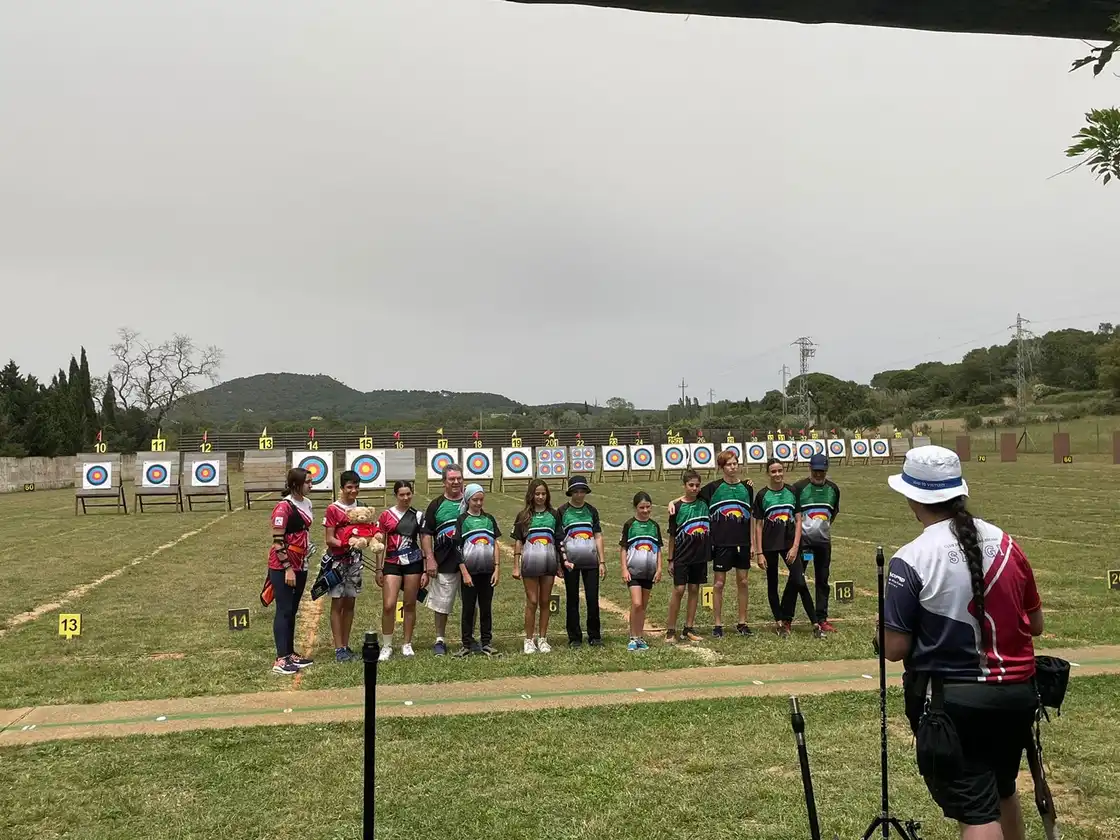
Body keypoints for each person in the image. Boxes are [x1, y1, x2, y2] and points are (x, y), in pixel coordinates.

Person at [883, 445, 1044, 840]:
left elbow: (894, 649)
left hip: (954, 703)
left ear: (913, 498)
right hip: (1019, 696)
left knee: (976, 811)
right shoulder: (1007, 543)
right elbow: (1035, 624)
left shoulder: (913, 558)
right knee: (1003, 790)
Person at [669, 452, 754, 637]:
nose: (733, 467)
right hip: (721, 543)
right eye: (729, 464)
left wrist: (753, 543)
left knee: (744, 581)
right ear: (721, 467)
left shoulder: (747, 488)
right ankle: (717, 624)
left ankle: (742, 622)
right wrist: (672, 501)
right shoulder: (712, 488)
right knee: (719, 584)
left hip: (742, 542)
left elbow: (752, 517)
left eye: (735, 463)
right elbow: (691, 494)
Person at [752, 458, 818, 638]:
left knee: (799, 581)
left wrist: (795, 547)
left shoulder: (791, 491)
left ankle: (815, 623)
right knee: (772, 584)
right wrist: (759, 553)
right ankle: (780, 622)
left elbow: (798, 520)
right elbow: (758, 525)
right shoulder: (762, 495)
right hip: (769, 545)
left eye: (780, 470)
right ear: (768, 474)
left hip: (790, 544)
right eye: (773, 471)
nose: (777, 474)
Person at [266, 467, 316, 675]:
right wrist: (288, 569)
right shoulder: (283, 508)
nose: (311, 485)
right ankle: (281, 659)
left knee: (292, 610)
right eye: (307, 482)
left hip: (300, 562)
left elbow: (304, 531)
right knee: (284, 609)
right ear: (296, 484)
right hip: (283, 566)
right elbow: (278, 542)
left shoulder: (307, 503)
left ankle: (289, 653)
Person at [374, 480, 426, 661]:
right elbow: (380, 544)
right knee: (389, 605)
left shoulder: (418, 515)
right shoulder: (386, 516)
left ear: (412, 493)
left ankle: (407, 643)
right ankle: (387, 645)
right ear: (395, 495)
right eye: (401, 495)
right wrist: (379, 568)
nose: (405, 498)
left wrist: (426, 569)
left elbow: (426, 541)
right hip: (391, 562)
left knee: (409, 604)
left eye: (408, 494)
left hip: (413, 563)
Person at [792, 454, 841, 634]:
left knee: (822, 581)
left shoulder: (833, 489)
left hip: (823, 544)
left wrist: (820, 530)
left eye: (822, 471)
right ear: (809, 468)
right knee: (796, 580)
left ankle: (822, 618)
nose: (819, 474)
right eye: (816, 471)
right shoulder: (799, 488)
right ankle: (787, 618)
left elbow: (832, 513)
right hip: (804, 544)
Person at [511, 479, 561, 654]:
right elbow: (518, 542)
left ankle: (543, 639)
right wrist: (516, 566)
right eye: (537, 494)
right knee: (532, 601)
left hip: (549, 564)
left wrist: (560, 565)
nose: (540, 497)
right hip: (530, 565)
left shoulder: (554, 515)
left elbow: (558, 541)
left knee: (545, 601)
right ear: (531, 495)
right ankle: (528, 640)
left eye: (543, 494)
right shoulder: (523, 516)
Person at [421, 463, 465, 656]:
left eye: (459, 478)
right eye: (451, 479)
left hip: (470, 561)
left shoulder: (471, 500)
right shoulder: (436, 505)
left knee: (471, 602)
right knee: (442, 603)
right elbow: (425, 533)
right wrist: (430, 559)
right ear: (444, 482)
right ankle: (440, 639)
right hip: (445, 561)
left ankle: (469, 638)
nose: (456, 482)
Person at [556, 474, 606, 648]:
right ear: (570, 492)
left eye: (582, 491)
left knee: (592, 598)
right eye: (575, 491)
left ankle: (594, 635)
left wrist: (602, 561)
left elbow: (597, 536)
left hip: (591, 562)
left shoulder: (592, 511)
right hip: (570, 563)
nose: (579, 494)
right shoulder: (562, 511)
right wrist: (560, 564)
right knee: (572, 599)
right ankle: (574, 637)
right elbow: (559, 539)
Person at [321, 470, 365, 662]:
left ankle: (346, 645)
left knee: (350, 603)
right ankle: (339, 649)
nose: (353, 490)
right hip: (337, 562)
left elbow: (368, 531)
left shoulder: (362, 507)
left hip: (355, 562)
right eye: (349, 487)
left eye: (356, 487)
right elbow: (329, 539)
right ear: (342, 488)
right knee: (337, 603)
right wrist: (346, 544)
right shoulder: (333, 509)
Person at [454, 484, 502, 657]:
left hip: (487, 572)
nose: (479, 503)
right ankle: (466, 644)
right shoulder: (462, 520)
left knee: (486, 608)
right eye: (475, 500)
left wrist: (496, 568)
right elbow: (457, 548)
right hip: (469, 573)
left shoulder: (489, 519)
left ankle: (486, 642)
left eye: (481, 499)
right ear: (468, 500)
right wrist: (464, 572)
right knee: (468, 609)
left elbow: (495, 544)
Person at [664, 470, 710, 644]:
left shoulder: (705, 501)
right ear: (684, 486)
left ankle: (688, 628)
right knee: (679, 590)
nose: (695, 488)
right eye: (691, 485)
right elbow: (672, 536)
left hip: (700, 555)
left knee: (694, 590)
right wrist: (670, 559)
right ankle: (670, 629)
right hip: (682, 555)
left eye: (697, 485)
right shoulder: (676, 507)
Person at [619, 491, 663, 651]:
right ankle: (632, 637)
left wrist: (659, 569)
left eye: (648, 507)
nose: (645, 510)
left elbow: (658, 550)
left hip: (649, 571)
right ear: (635, 507)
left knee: (643, 606)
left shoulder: (654, 526)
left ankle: (640, 637)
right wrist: (624, 569)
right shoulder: (629, 525)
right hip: (633, 571)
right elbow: (623, 548)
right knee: (636, 603)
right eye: (641, 507)